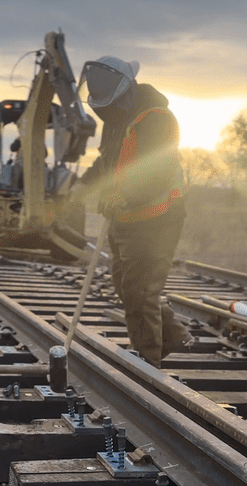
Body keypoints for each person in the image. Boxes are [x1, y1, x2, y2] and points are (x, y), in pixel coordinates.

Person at [76, 55, 189, 366]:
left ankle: (150, 361)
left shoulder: (159, 121)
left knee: (140, 292)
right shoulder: (115, 122)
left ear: (129, 91)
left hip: (158, 217)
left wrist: (122, 198)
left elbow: (154, 174)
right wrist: (81, 186)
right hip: (126, 218)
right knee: (125, 284)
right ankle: (174, 333)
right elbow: (106, 163)